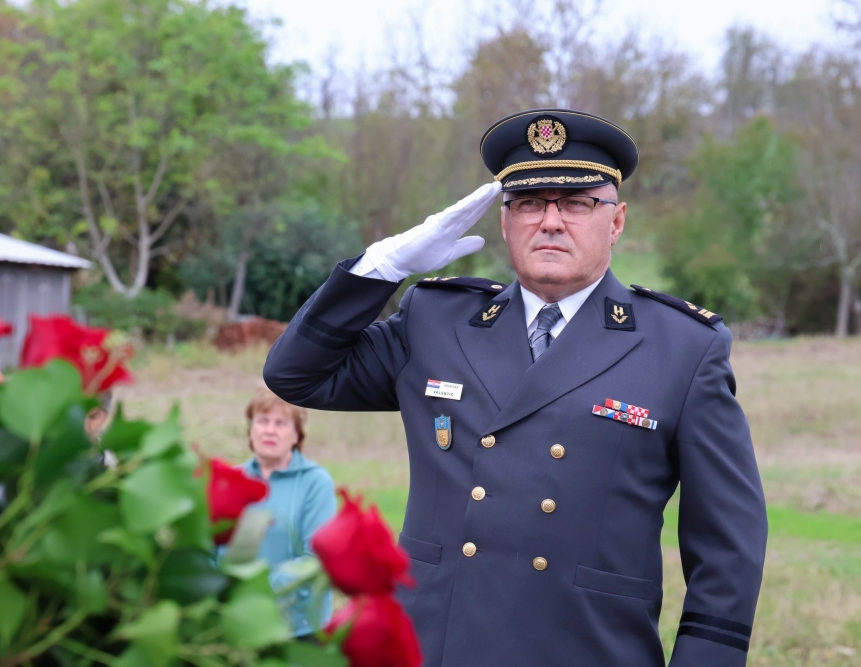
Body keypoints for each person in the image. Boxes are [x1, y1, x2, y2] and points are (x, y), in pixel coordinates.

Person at [263, 109, 767, 666]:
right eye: (528, 203)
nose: (550, 222)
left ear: (617, 221)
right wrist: (380, 269)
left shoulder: (681, 347)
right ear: (505, 222)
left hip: (588, 648)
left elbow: (727, 546)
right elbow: (297, 375)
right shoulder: (436, 320)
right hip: (437, 643)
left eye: (576, 204)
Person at [240, 386, 337, 639]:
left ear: (297, 435)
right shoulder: (232, 479)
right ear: (250, 430)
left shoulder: (316, 483)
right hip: (237, 622)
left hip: (298, 629)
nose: (270, 430)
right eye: (262, 421)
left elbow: (315, 560)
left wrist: (254, 590)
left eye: (281, 423)